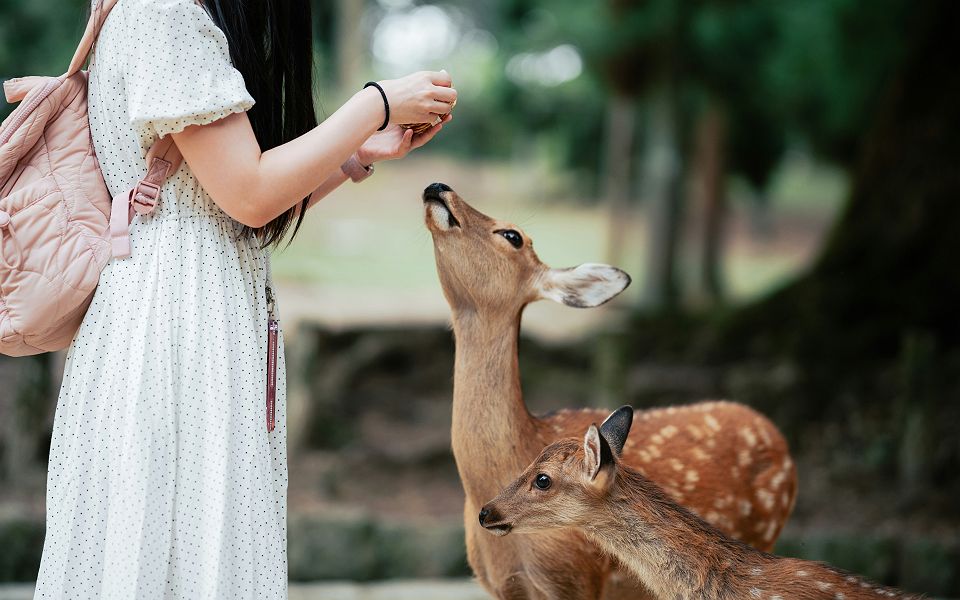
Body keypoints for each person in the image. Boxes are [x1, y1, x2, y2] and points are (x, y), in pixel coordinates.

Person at [34, 1, 455, 598]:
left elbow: (233, 203)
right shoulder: (166, 13)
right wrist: (374, 103)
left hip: (188, 317)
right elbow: (249, 195)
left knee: (188, 551)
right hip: (174, 327)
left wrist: (358, 153)